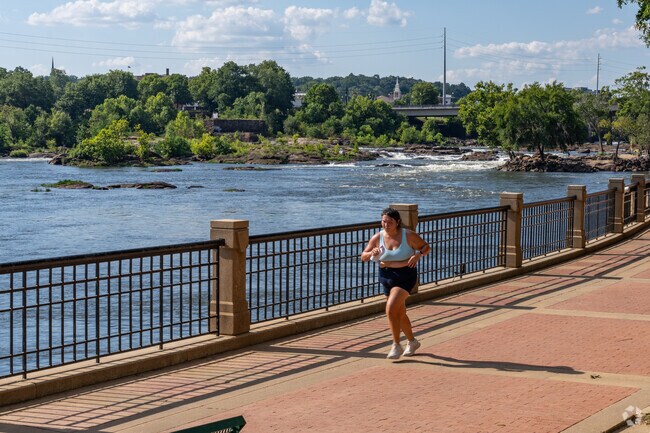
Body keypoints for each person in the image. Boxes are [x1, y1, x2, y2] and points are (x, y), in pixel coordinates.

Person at [360, 207, 430, 359]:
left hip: (405, 275)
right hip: (385, 276)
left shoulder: (408, 235)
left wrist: (418, 254)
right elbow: (363, 256)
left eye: (390, 222)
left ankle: (396, 345)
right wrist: (371, 253)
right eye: (384, 221)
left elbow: (426, 247)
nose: (386, 224)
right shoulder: (378, 237)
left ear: (397, 222)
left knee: (391, 309)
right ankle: (412, 342)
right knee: (400, 312)